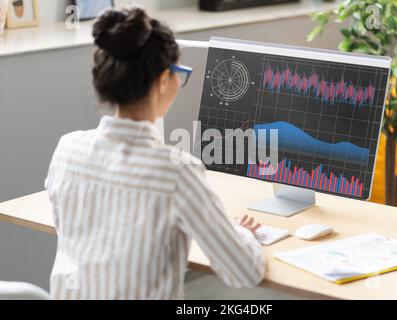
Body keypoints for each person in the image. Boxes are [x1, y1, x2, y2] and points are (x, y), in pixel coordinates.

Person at [45, 6, 265, 300]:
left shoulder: (67, 149)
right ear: (163, 80)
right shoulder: (177, 172)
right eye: (178, 74)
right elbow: (244, 272)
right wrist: (241, 234)